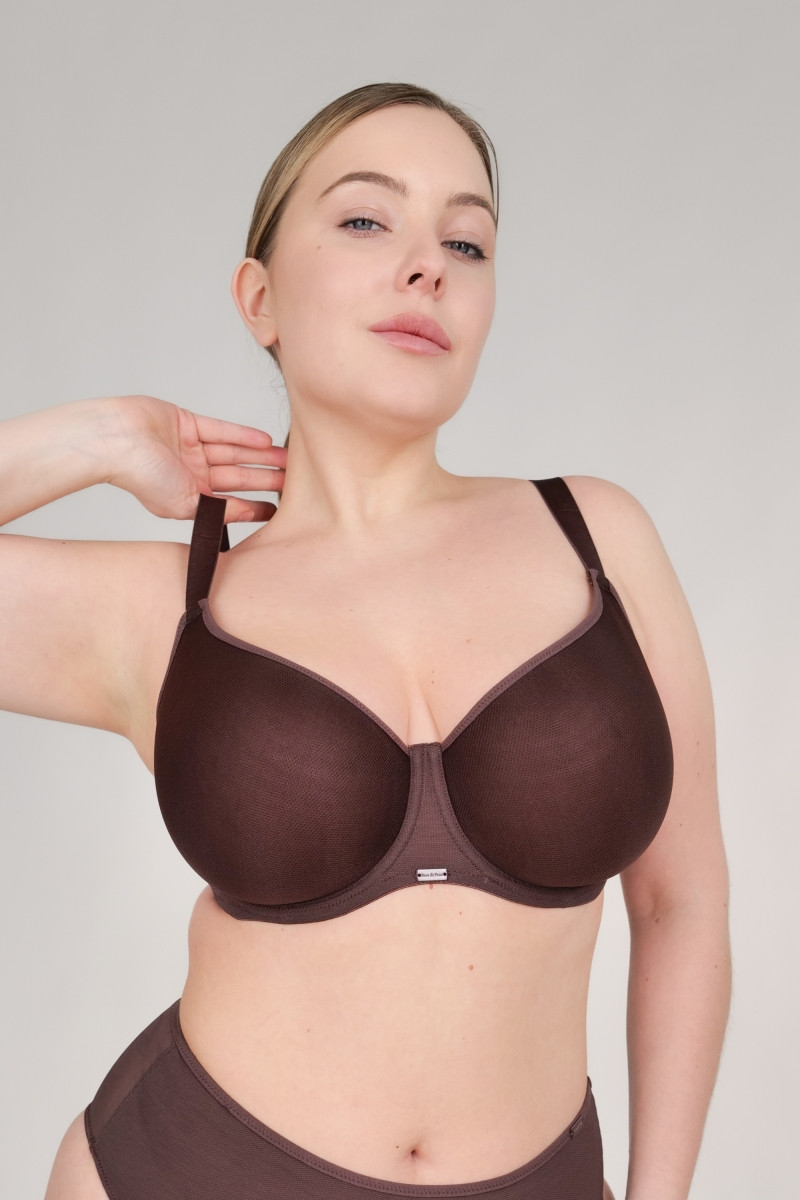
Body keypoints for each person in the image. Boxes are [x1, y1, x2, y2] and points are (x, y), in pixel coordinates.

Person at [1, 83, 730, 1200]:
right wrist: (97, 436)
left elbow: (680, 908)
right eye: (364, 219)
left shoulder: (595, 541)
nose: (427, 265)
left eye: (466, 241)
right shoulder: (166, 612)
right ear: (259, 299)